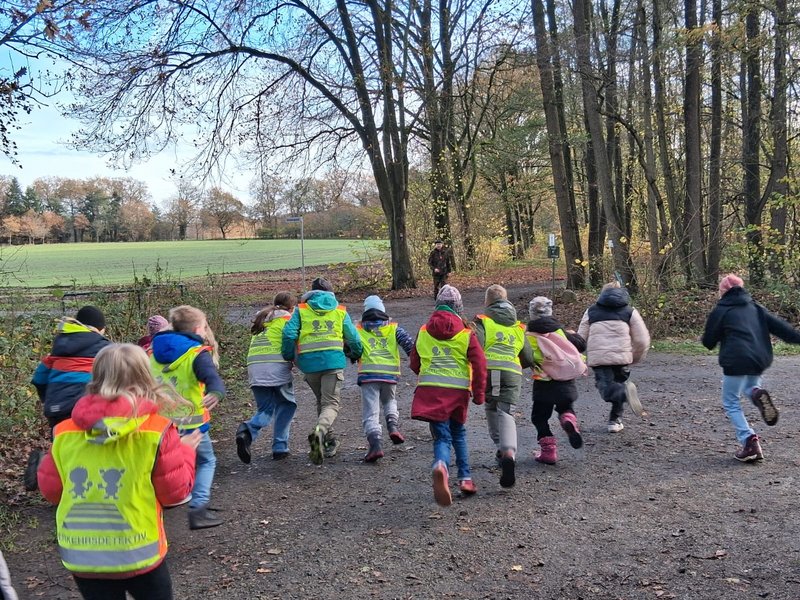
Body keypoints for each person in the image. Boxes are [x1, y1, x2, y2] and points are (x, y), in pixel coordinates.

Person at [37, 343, 199, 600]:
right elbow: (174, 493)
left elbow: (51, 491)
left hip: (82, 554)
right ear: (145, 378)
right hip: (138, 550)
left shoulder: (63, 432)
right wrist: (186, 452)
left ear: (95, 377)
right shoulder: (157, 430)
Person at [701, 274, 800, 462]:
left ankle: (749, 441)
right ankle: (756, 392)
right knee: (750, 387)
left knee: (731, 401)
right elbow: (784, 330)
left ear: (722, 291)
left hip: (735, 360)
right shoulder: (756, 308)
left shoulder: (721, 310)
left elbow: (708, 342)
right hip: (759, 359)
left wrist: (715, 335)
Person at [410, 284, 487, 507]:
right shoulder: (466, 333)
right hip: (458, 393)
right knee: (459, 433)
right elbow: (480, 364)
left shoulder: (424, 331)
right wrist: (479, 394)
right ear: (459, 308)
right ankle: (465, 479)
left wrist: (426, 370)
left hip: (431, 391)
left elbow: (414, 363)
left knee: (442, 437)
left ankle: (441, 465)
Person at [150, 305, 225, 530]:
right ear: (196, 329)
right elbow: (211, 377)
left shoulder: (152, 353)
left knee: (167, 464)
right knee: (206, 461)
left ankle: (161, 504)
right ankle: (198, 507)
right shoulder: (196, 354)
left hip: (162, 424)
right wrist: (216, 392)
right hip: (191, 423)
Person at [27, 305, 112, 491]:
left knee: (61, 447)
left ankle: (44, 467)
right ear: (101, 329)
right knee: (91, 446)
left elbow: (39, 379)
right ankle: (87, 487)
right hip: (87, 406)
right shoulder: (106, 349)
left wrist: (49, 399)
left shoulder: (58, 349)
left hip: (56, 408)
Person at [281, 277, 362, 465]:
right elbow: (354, 338)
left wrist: (289, 355)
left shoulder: (301, 310)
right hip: (332, 363)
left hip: (309, 364)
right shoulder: (339, 311)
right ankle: (319, 432)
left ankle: (327, 441)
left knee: (322, 401)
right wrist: (356, 353)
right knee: (331, 404)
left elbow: (288, 333)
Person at [472, 285, 533, 488]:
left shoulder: (483, 321)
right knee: (507, 411)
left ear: (487, 302)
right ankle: (508, 453)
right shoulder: (518, 327)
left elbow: (477, 346)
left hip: (492, 371)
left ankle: (503, 449)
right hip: (513, 372)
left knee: (493, 408)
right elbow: (528, 357)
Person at [577, 281, 650, 433]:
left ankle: (623, 394)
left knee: (607, 390)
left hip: (600, 359)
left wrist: (576, 355)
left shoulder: (591, 311)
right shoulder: (630, 311)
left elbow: (580, 338)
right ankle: (614, 421)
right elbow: (642, 340)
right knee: (617, 384)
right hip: (622, 358)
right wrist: (635, 357)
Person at [236, 292, 297, 463]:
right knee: (287, 404)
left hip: (255, 367)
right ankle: (279, 447)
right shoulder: (288, 320)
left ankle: (247, 432)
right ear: (291, 308)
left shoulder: (262, 319)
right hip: (276, 367)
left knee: (265, 409)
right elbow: (291, 341)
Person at [526, 296, 587, 465]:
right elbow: (581, 345)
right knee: (565, 408)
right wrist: (572, 334)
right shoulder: (560, 332)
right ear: (550, 312)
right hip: (566, 382)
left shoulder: (529, 336)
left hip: (543, 385)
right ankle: (569, 420)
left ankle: (549, 451)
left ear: (531, 314)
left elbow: (525, 357)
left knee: (539, 418)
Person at [354, 294, 414, 462]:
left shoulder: (358, 329)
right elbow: (409, 344)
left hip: (368, 375)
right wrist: (417, 361)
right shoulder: (394, 328)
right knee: (389, 401)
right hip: (390, 375)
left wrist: (352, 355)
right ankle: (393, 426)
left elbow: (352, 346)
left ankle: (375, 445)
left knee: (371, 412)